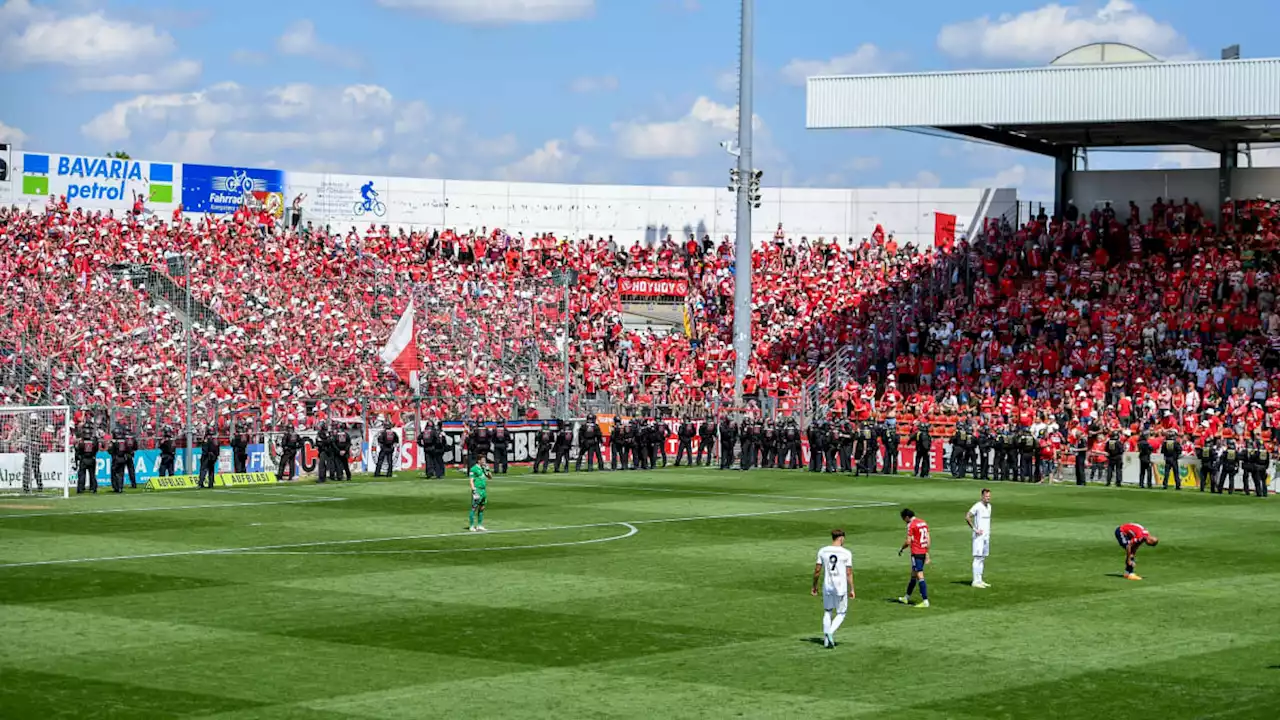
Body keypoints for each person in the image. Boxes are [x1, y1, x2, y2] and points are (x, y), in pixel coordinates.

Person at [811, 529, 855, 649]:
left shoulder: (823, 551)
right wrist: (852, 589)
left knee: (827, 611)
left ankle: (826, 641)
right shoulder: (846, 553)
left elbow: (817, 570)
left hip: (827, 586)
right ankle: (830, 632)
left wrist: (814, 586)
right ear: (841, 538)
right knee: (841, 612)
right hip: (840, 587)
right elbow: (849, 572)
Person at [898, 508, 931, 607]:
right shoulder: (923, 522)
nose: (904, 521)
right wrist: (927, 552)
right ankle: (906, 597)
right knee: (913, 575)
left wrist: (901, 548)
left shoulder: (911, 525)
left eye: (904, 519)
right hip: (923, 551)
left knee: (919, 575)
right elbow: (928, 538)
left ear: (907, 517)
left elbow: (908, 542)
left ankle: (925, 601)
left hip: (916, 552)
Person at [965, 489, 992, 588]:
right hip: (978, 537)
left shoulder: (989, 507)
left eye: (989, 496)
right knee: (977, 557)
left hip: (986, 536)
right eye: (986, 496)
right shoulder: (977, 506)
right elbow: (967, 516)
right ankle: (975, 581)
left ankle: (980, 580)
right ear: (982, 496)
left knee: (982, 558)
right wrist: (975, 529)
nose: (988, 498)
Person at [75, 426, 100, 494]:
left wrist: (79, 457)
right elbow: (96, 449)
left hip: (84, 459)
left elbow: (77, 450)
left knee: (82, 474)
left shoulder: (81, 441)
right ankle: (93, 488)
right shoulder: (94, 441)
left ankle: (80, 488)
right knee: (92, 474)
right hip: (92, 459)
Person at [468, 457, 490, 532]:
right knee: (474, 508)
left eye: (485, 460)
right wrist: (473, 489)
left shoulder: (483, 468)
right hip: (477, 490)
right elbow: (471, 480)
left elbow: (490, 477)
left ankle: (479, 525)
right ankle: (471, 526)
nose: (484, 462)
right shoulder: (473, 469)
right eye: (483, 460)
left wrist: (487, 470)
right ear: (479, 461)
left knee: (482, 508)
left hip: (483, 491)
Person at [108, 428, 128, 493]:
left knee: (114, 473)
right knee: (121, 474)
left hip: (116, 459)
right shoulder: (124, 441)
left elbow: (110, 451)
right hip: (123, 458)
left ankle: (116, 487)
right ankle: (120, 487)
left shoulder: (113, 441)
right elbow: (128, 449)